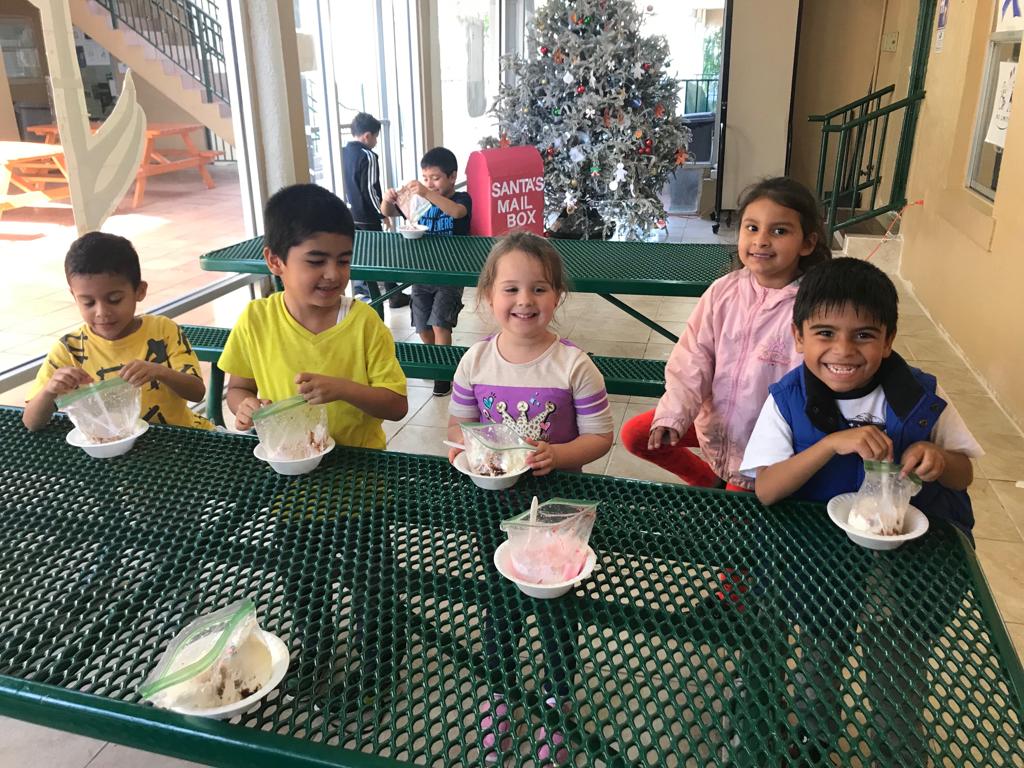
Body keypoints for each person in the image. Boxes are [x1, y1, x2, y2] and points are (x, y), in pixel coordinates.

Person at [739, 257, 981, 764]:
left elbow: (965, 473)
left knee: (898, 676)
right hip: (818, 569)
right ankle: (813, 743)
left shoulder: (921, 397)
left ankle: (897, 752)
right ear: (798, 337)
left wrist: (940, 459)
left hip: (912, 575)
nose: (843, 351)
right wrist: (830, 446)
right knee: (816, 666)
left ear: (889, 339)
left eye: (864, 335)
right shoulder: (787, 400)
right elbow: (767, 489)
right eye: (824, 333)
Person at [447, 231, 614, 763]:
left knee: (558, 612)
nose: (524, 301)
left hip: (563, 507)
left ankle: (556, 702)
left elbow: (600, 436)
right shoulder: (474, 361)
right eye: (511, 288)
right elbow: (459, 432)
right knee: (500, 606)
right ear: (487, 295)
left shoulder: (574, 365)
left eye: (538, 289)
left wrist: (557, 455)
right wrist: (466, 459)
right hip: (493, 505)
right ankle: (503, 694)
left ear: (558, 296)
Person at [619, 177, 831, 493]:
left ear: (807, 243)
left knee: (732, 523)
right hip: (714, 425)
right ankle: (707, 480)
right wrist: (674, 415)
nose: (761, 240)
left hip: (760, 452)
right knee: (636, 435)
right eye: (751, 227)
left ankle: (726, 487)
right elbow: (694, 357)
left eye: (779, 231)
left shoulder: (814, 311)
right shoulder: (724, 291)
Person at [220, 183, 408, 447]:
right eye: (316, 261)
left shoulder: (364, 322)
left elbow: (397, 405)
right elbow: (239, 389)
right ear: (275, 261)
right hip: (288, 460)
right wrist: (245, 406)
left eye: (343, 261)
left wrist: (342, 389)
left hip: (361, 470)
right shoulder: (256, 319)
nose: (333, 274)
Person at [23, 232, 211, 431]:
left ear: (139, 291)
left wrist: (160, 371)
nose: (102, 313)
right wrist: (49, 391)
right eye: (88, 302)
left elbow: (196, 392)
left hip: (177, 438)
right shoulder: (69, 349)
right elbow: (31, 422)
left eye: (114, 299)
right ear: (74, 296)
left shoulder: (163, 330)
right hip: (109, 445)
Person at [381, 146, 471, 397]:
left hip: (450, 272)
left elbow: (456, 212)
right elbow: (387, 212)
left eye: (436, 178)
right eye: (426, 178)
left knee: (441, 324)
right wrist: (388, 199)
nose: (429, 183)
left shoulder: (461, 198)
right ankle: (435, 361)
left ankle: (444, 375)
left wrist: (426, 194)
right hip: (421, 272)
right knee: (422, 326)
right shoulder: (419, 200)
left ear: (452, 177)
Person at [342, 111, 410, 309]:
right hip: (367, 215)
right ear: (367, 136)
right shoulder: (368, 156)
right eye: (376, 137)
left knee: (359, 254)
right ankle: (393, 295)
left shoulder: (344, 153)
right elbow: (370, 189)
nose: (375, 142)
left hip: (349, 214)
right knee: (381, 255)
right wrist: (382, 213)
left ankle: (363, 294)